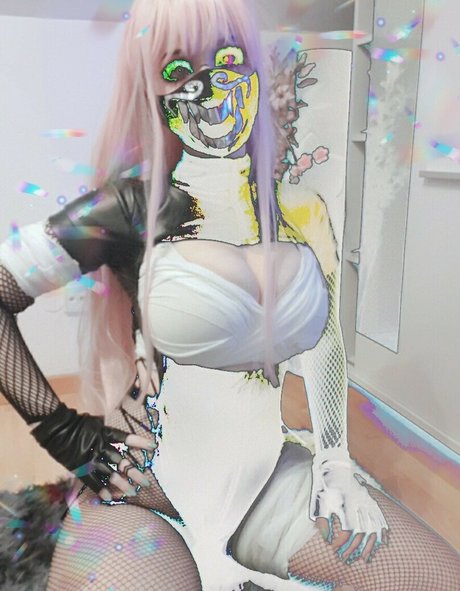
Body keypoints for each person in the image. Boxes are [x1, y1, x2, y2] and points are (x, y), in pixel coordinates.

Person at [0, 0, 459, 589]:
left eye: (229, 58)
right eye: (177, 71)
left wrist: (334, 459)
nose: (210, 88)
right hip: (148, 485)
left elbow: (324, 342)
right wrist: (63, 432)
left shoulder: (301, 209)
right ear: (153, 96)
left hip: (267, 479)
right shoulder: (131, 209)